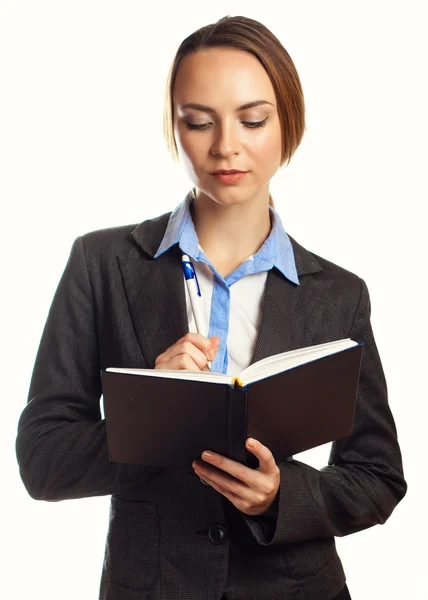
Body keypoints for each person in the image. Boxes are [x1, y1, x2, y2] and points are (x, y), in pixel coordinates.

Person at [16, 14, 407, 600]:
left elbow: (377, 478)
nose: (226, 146)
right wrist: (148, 411)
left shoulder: (340, 293)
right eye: (198, 122)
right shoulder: (102, 264)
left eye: (253, 120)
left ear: (288, 124)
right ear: (174, 127)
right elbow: (42, 461)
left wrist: (281, 498)